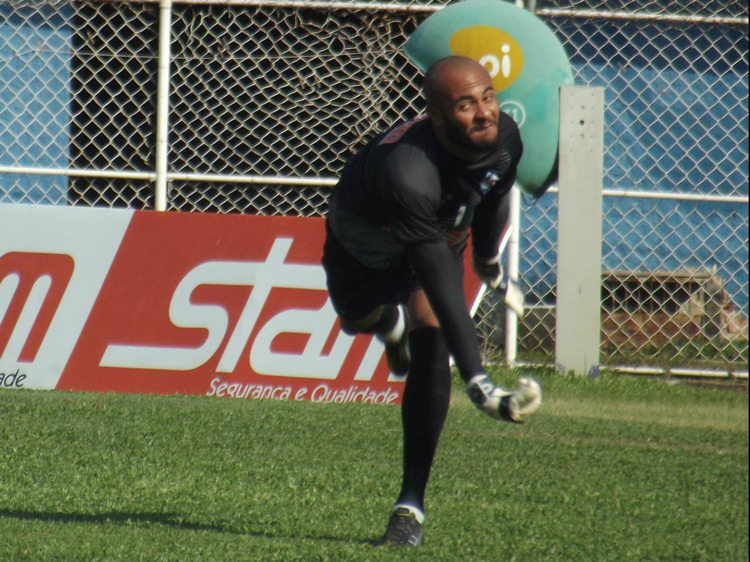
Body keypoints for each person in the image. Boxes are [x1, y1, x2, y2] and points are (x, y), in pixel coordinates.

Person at [321, 56, 542, 547]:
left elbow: (493, 194)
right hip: (364, 242)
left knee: (432, 341)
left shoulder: (504, 136)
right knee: (356, 317)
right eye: (466, 105)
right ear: (436, 118)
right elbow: (443, 284)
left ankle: (409, 508)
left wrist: (488, 260)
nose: (485, 112)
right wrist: (480, 383)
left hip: (438, 234)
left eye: (488, 96)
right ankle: (386, 325)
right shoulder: (409, 173)